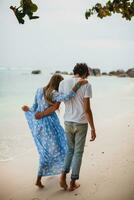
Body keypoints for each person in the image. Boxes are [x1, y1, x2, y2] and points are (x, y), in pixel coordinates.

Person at [22, 74, 87, 188]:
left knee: (46, 152)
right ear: (58, 84)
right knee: (64, 148)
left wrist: (29, 110)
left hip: (39, 126)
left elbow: (34, 107)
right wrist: (77, 85)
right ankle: (62, 178)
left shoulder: (39, 90)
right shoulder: (53, 93)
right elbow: (67, 97)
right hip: (50, 127)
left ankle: (41, 178)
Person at [58, 63, 96, 191]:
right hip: (81, 123)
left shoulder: (63, 83)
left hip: (68, 121)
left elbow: (62, 100)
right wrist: (93, 128)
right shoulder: (86, 84)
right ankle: (73, 183)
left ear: (75, 71)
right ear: (85, 73)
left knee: (70, 150)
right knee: (78, 152)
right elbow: (87, 109)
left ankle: (63, 176)